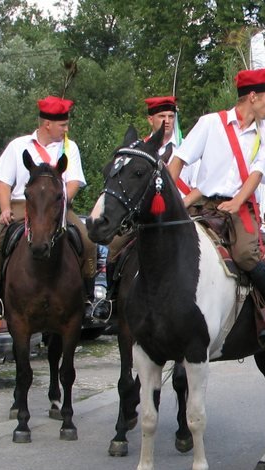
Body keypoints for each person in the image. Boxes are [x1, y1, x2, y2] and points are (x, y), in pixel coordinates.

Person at [168, 67, 265, 340]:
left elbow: (256, 174)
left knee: (246, 255)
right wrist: (165, 198)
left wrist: (237, 201)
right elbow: (179, 160)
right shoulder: (210, 123)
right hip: (203, 204)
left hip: (240, 205)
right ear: (252, 96)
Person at [0, 95, 94, 319]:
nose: (66, 129)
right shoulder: (18, 146)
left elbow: (73, 182)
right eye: (63, 125)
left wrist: (60, 202)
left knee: (88, 241)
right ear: (47, 124)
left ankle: (89, 300)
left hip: (57, 205)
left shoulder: (69, 147)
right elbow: (3, 183)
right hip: (22, 204)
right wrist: (5, 208)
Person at [92, 95, 197, 321]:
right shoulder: (136, 150)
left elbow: (199, 184)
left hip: (182, 214)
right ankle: (111, 300)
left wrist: (183, 204)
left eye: (171, 116)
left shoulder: (188, 147)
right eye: (161, 116)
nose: (167, 121)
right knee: (115, 247)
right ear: (150, 119)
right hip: (144, 219)